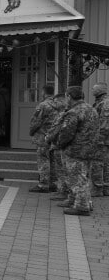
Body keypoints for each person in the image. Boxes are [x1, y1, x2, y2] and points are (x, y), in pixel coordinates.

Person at [56, 86, 99, 216]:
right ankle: (76, 200)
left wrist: (59, 144)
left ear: (69, 96)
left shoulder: (74, 112)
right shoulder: (92, 109)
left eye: (66, 97)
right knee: (83, 176)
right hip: (90, 149)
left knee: (77, 178)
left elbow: (66, 133)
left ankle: (81, 206)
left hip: (75, 150)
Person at [28, 85, 58, 192]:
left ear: (44, 93)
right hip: (54, 136)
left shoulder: (43, 105)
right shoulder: (58, 104)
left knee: (43, 160)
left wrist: (31, 132)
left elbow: (36, 121)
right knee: (53, 160)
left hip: (43, 137)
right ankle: (53, 183)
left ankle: (43, 184)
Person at [91, 83, 109, 197]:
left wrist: (98, 139)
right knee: (106, 163)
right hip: (105, 139)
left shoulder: (104, 104)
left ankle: (97, 189)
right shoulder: (100, 102)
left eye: (94, 89)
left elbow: (104, 124)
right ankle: (106, 188)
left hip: (101, 139)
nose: (92, 90)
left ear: (100, 90)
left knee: (97, 163)